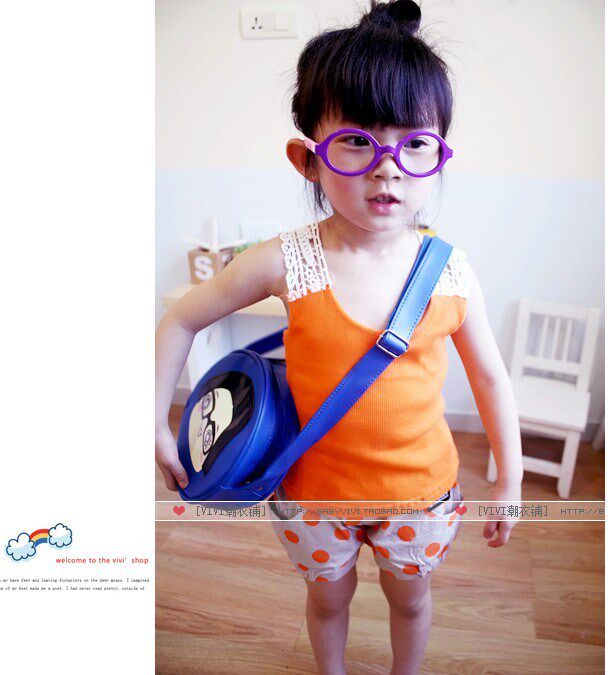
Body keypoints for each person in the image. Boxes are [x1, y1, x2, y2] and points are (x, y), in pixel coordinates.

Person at [155, 1, 524, 672]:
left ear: (440, 157)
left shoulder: (450, 271)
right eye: (357, 140)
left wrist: (510, 477)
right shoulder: (284, 260)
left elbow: (491, 378)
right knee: (328, 602)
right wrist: (154, 420)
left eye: (415, 144)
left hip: (420, 494)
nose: (388, 167)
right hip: (313, 496)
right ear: (308, 159)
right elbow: (181, 317)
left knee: (411, 601)